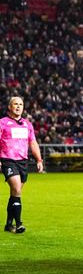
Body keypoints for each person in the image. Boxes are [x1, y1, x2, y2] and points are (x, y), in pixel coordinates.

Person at [1, 97, 44, 234]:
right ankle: (19, 223)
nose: (18, 107)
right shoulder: (2, 123)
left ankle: (8, 224)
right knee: (17, 189)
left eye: (20, 104)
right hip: (8, 160)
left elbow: (33, 143)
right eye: (15, 104)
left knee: (15, 194)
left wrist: (39, 160)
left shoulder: (27, 124)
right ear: (9, 107)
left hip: (22, 162)